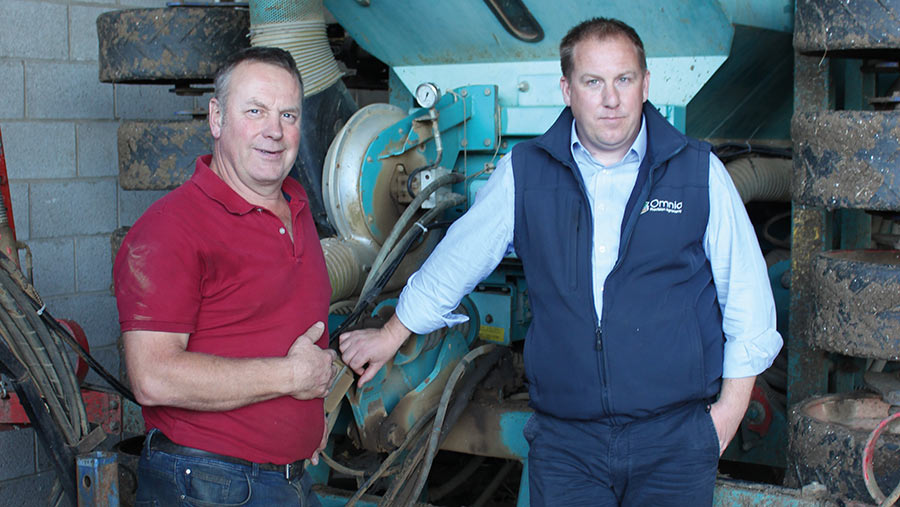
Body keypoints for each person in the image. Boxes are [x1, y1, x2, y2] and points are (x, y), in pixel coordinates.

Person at [339, 17, 783, 506]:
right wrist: (390, 334)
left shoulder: (698, 172)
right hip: (569, 444)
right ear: (567, 89)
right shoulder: (525, 172)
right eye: (593, 82)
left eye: (624, 79)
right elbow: (454, 264)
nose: (610, 99)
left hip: (672, 439)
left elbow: (748, 299)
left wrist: (727, 414)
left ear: (645, 85)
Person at [114, 46, 337, 506]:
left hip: (286, 480)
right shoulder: (171, 228)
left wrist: (304, 420)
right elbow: (153, 377)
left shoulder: (297, 208)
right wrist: (291, 378)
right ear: (216, 118)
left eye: (288, 115)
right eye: (255, 111)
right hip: (208, 484)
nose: (274, 131)